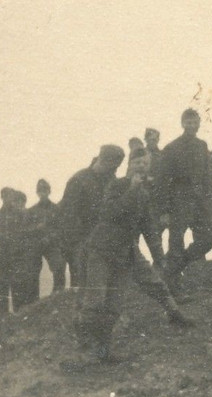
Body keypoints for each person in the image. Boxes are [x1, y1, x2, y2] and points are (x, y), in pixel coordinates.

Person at [68, 148, 194, 368]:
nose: (142, 168)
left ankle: (104, 351)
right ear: (129, 165)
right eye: (137, 164)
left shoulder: (144, 194)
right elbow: (108, 214)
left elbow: (149, 228)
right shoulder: (115, 186)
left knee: (115, 305)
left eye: (146, 165)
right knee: (95, 302)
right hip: (101, 249)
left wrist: (159, 257)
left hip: (125, 251)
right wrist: (132, 190)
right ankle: (84, 352)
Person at [59, 145, 125, 288]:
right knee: (82, 283)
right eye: (111, 166)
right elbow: (69, 215)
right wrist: (76, 243)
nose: (113, 171)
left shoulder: (111, 180)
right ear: (102, 160)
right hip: (81, 239)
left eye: (116, 168)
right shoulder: (79, 180)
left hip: (103, 238)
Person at [160, 109, 209, 268]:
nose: (192, 126)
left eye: (195, 122)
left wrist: (207, 198)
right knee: (176, 241)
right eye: (189, 122)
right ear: (182, 124)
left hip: (199, 199)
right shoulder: (171, 148)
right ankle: (173, 276)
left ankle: (181, 263)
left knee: (207, 239)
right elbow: (163, 180)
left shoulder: (202, 146)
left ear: (199, 124)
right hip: (178, 199)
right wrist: (165, 209)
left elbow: (207, 175)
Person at [0, 187, 28, 315]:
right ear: (2, 197)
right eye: (6, 196)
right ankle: (2, 314)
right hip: (1, 256)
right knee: (3, 285)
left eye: (11, 196)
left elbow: (26, 233)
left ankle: (17, 313)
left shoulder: (20, 215)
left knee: (17, 285)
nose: (9, 199)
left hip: (17, 256)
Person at [28, 179, 66, 292]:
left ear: (49, 191)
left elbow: (61, 228)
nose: (42, 193)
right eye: (40, 191)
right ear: (37, 193)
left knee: (59, 267)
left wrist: (50, 237)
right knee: (32, 271)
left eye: (45, 190)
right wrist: (36, 229)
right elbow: (26, 229)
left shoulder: (57, 209)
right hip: (36, 245)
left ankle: (57, 296)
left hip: (52, 245)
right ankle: (33, 301)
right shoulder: (31, 211)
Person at [9, 189, 44, 308]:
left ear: (23, 202)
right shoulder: (11, 218)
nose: (16, 205)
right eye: (14, 202)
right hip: (17, 257)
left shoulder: (31, 215)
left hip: (31, 256)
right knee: (17, 286)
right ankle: (19, 312)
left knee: (32, 285)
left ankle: (30, 312)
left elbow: (39, 232)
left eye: (18, 201)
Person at [143, 128, 166, 267]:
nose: (154, 142)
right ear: (146, 139)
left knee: (156, 233)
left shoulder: (162, 155)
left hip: (156, 199)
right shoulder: (140, 154)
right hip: (141, 196)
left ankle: (158, 265)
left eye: (156, 139)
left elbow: (164, 176)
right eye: (151, 139)